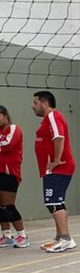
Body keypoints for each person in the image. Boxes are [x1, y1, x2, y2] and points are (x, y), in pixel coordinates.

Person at [31, 90, 76, 252]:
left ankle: (66, 239)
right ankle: (60, 237)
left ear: (44, 103)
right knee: (57, 202)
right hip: (53, 169)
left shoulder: (53, 116)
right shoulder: (49, 119)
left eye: (35, 103)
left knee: (53, 203)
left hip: (58, 168)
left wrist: (56, 160)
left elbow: (59, 137)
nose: (33, 106)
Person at [0, 104, 28, 247]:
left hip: (9, 174)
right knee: (0, 207)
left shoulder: (13, 129)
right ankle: (6, 236)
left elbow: (7, 144)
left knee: (8, 206)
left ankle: (22, 236)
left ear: (5, 115)